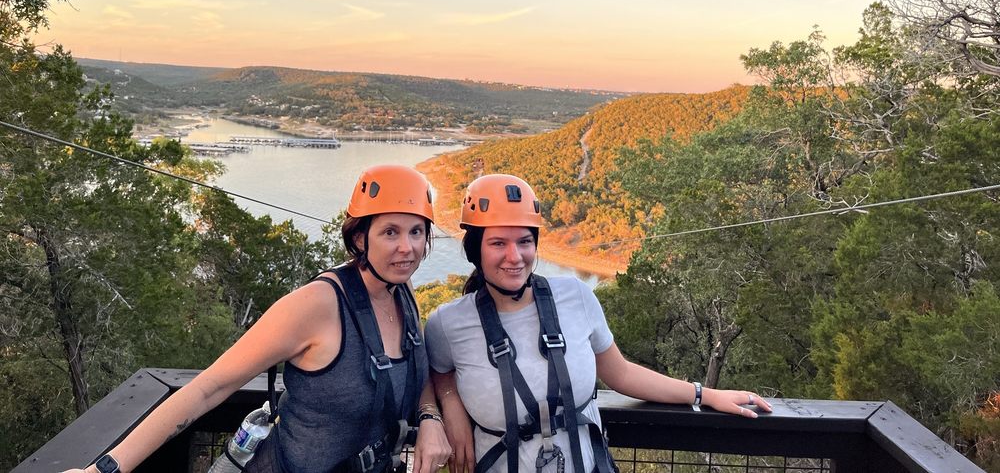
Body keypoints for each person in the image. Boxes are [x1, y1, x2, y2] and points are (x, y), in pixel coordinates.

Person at [64, 164, 452, 473]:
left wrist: (430, 416)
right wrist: (107, 468)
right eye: (390, 232)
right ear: (360, 238)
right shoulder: (317, 305)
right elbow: (208, 388)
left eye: (417, 232)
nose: (408, 247)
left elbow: (411, 369)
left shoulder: (401, 293)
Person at [424, 174, 772, 473]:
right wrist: (450, 406)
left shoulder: (575, 296)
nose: (515, 257)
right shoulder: (449, 323)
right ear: (475, 251)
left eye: (525, 241)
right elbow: (437, 373)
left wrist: (704, 394)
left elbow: (620, 373)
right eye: (498, 243)